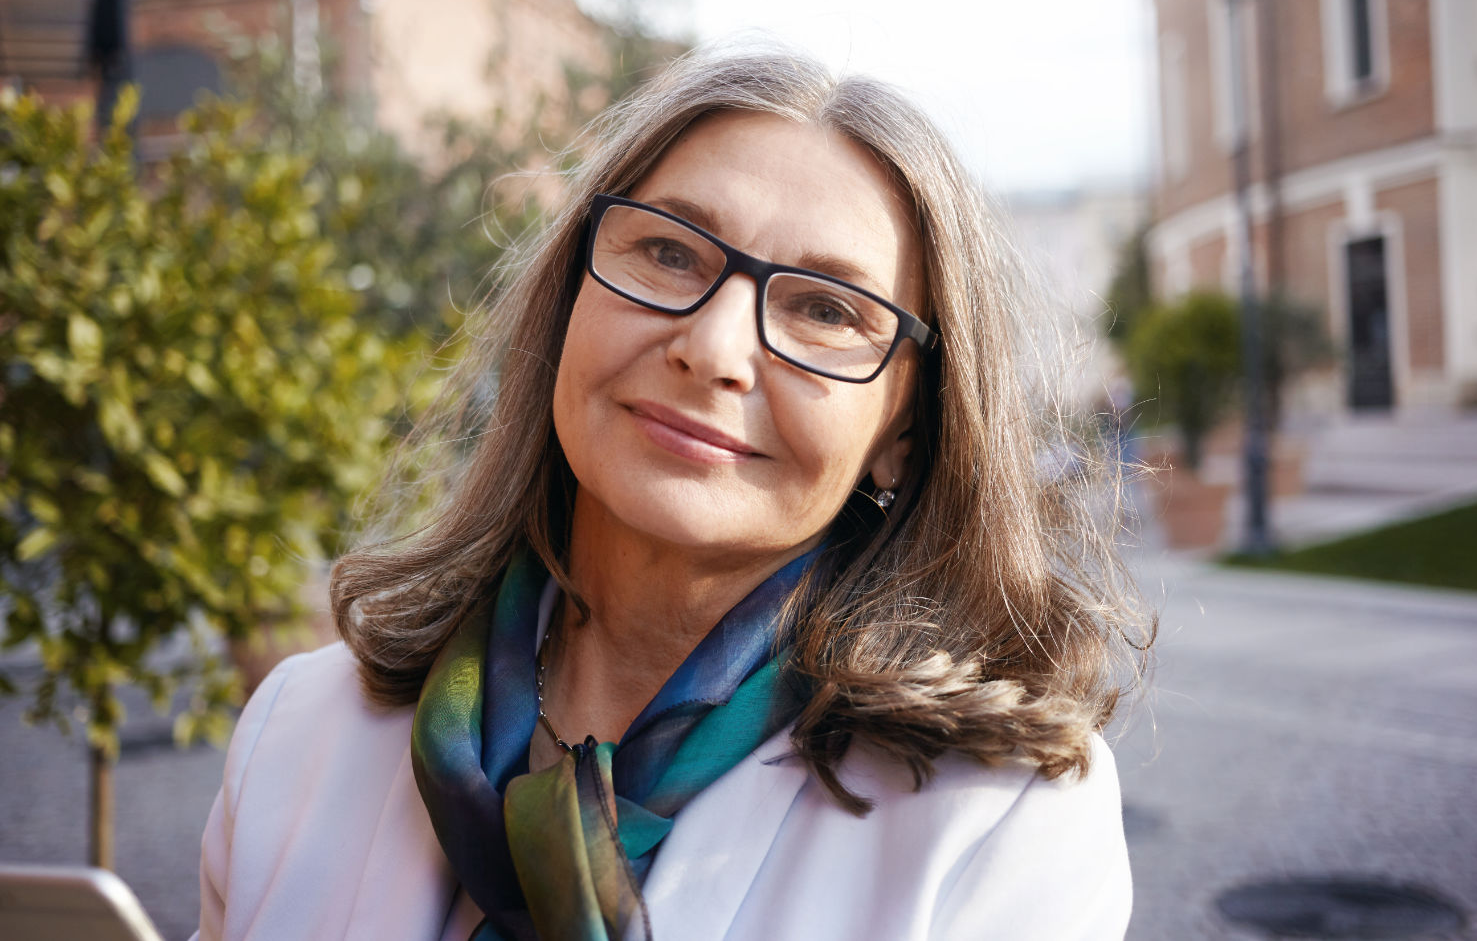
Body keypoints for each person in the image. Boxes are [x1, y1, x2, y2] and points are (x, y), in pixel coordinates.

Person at [192, 47, 1152, 941]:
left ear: (904, 430)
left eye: (826, 310)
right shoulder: (299, 730)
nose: (714, 348)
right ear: (571, 294)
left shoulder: (1003, 823)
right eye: (670, 252)